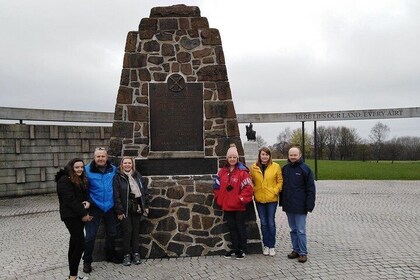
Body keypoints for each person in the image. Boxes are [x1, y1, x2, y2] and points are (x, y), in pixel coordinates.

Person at [213, 144, 253, 260]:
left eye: (234, 157)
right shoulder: (222, 172)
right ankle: (235, 248)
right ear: (227, 158)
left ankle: (242, 249)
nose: (232, 159)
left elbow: (248, 188)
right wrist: (219, 199)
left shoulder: (243, 172)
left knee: (240, 227)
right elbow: (216, 186)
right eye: (230, 157)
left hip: (239, 206)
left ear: (237, 158)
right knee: (232, 227)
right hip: (227, 205)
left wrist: (240, 199)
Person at [56, 158, 92, 280]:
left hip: (78, 215)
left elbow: (85, 195)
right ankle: (73, 277)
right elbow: (70, 200)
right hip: (71, 216)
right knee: (80, 245)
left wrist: (88, 202)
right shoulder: (64, 180)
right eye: (77, 167)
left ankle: (72, 276)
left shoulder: (80, 179)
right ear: (71, 167)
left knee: (74, 244)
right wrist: (84, 214)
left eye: (81, 167)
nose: (80, 169)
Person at [82, 147, 117, 273]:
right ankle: (87, 261)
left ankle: (110, 255)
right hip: (94, 208)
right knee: (90, 236)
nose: (101, 159)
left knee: (112, 233)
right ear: (94, 157)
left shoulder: (113, 169)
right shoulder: (86, 170)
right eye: (98, 156)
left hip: (110, 207)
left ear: (107, 157)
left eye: (103, 156)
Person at [280, 146, 316, 263]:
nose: (293, 157)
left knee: (300, 230)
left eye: (295, 155)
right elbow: (282, 187)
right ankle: (295, 250)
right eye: (291, 155)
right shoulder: (284, 169)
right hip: (289, 205)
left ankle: (303, 252)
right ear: (288, 156)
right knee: (293, 229)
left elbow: (311, 189)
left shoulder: (305, 169)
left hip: (300, 206)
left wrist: (309, 205)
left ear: (300, 155)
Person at [113, 157, 150, 266]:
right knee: (127, 231)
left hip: (137, 207)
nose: (127, 165)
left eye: (129, 163)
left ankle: (136, 253)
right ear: (122, 164)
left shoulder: (138, 176)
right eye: (125, 163)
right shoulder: (118, 177)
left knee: (135, 232)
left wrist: (146, 205)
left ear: (132, 164)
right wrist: (119, 211)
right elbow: (116, 195)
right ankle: (126, 255)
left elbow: (144, 191)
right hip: (125, 209)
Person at [250, 147, 282, 257]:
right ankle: (266, 245)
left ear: (269, 156)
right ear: (259, 155)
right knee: (263, 223)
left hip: (272, 199)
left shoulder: (275, 166)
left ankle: (272, 245)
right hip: (259, 199)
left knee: (271, 222)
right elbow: (250, 181)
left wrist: (275, 190)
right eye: (263, 154)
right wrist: (254, 190)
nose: (265, 156)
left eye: (267, 154)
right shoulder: (253, 167)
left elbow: (280, 181)